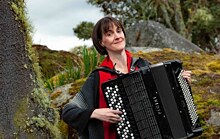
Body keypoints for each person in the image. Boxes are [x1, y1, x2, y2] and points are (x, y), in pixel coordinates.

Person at [61, 16, 192, 139]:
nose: (117, 36)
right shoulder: (98, 76)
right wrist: (94, 113)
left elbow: (167, 100)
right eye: (109, 34)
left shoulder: (142, 66)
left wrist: (182, 85)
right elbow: (68, 112)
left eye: (119, 31)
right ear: (101, 42)